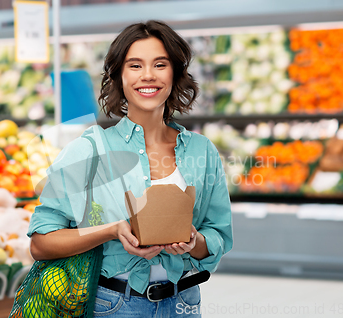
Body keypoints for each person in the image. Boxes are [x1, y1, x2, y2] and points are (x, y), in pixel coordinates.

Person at [28, 20, 233, 317]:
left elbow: (219, 236)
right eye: (135, 66)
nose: (148, 76)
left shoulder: (202, 151)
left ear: (175, 73)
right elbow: (41, 242)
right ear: (119, 76)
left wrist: (194, 242)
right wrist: (112, 231)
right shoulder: (90, 150)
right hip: (115, 305)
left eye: (160, 64)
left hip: (183, 304)